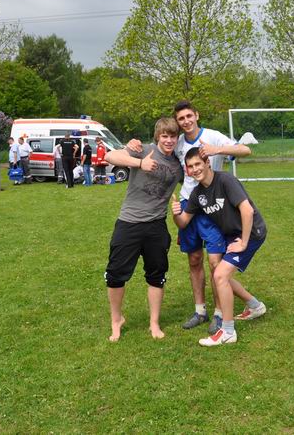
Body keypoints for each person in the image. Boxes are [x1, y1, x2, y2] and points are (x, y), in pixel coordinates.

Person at [128, 100, 251, 333]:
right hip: (188, 204)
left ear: (196, 115)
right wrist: (133, 144)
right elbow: (159, 148)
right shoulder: (178, 142)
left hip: (213, 206)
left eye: (188, 116)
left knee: (215, 262)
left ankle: (219, 313)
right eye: (181, 119)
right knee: (194, 259)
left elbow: (245, 150)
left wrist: (217, 150)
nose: (186, 121)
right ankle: (200, 310)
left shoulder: (213, 137)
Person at [172, 147, 267, 346]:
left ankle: (228, 332)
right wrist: (175, 214)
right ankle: (254, 305)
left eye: (198, 164)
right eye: (190, 166)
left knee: (220, 276)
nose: (195, 169)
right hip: (233, 235)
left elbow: (247, 211)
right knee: (221, 275)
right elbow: (183, 222)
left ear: (207, 163)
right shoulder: (198, 193)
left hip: (252, 232)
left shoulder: (225, 180)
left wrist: (244, 242)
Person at [103, 117, 184, 342]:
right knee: (116, 275)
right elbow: (110, 156)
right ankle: (116, 320)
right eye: (165, 136)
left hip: (156, 226)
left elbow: (196, 178)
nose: (169, 140)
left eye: (173, 136)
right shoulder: (143, 150)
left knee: (156, 276)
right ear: (158, 136)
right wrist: (139, 163)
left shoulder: (178, 165)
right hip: (128, 223)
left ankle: (154, 323)